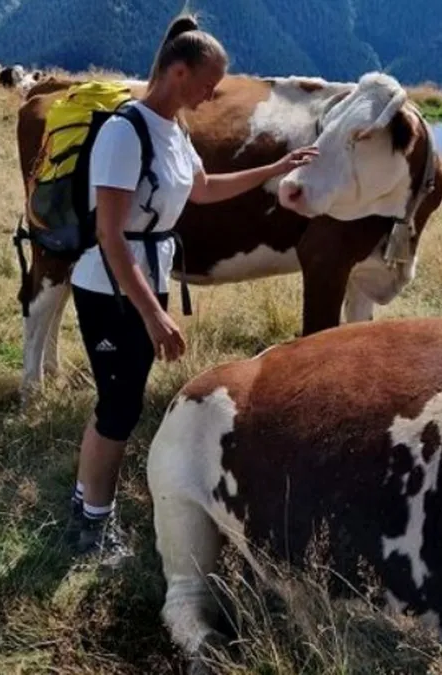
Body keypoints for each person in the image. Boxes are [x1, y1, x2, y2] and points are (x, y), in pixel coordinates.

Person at [64, 13, 318, 564]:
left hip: (140, 280)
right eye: (208, 82)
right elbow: (109, 234)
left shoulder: (173, 129)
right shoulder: (123, 132)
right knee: (120, 406)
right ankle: (93, 530)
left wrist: (276, 168)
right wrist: (154, 313)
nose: (213, 93)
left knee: (118, 399)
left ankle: (85, 501)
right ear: (178, 71)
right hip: (110, 286)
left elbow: (201, 190)